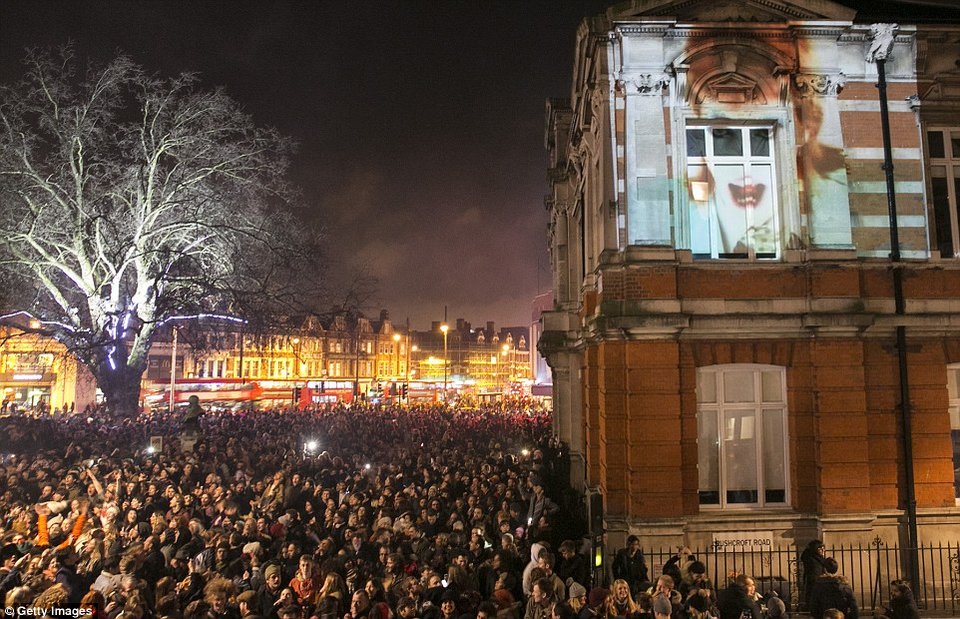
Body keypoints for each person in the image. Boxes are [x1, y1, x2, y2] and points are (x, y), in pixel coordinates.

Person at [801, 540, 827, 609]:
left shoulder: (811, 556)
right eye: (821, 548)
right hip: (815, 581)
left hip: (814, 581)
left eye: (823, 548)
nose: (823, 550)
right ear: (816, 549)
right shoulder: (814, 559)